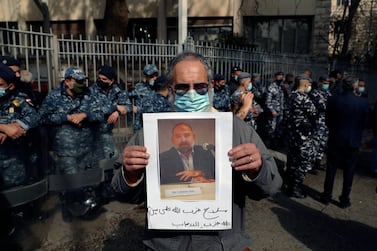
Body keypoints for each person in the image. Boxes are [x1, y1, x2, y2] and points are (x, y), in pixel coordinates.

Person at [111, 52, 282, 251]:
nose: (192, 94)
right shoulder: (150, 134)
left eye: (199, 86)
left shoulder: (238, 130)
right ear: (171, 89)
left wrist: (256, 169)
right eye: (183, 87)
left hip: (223, 244)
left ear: (210, 87)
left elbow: (271, 186)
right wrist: (130, 174)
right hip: (166, 245)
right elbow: (119, 191)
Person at [38, 66, 102, 221]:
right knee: (70, 179)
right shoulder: (54, 96)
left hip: (87, 146)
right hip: (65, 147)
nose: (82, 84)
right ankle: (68, 207)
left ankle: (84, 207)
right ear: (67, 81)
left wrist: (85, 115)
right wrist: (67, 117)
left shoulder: (89, 94)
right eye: (78, 81)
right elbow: (42, 117)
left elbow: (101, 113)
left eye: (83, 81)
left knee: (85, 180)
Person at [320, 76, 369, 208]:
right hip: (353, 141)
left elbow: (327, 120)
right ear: (355, 86)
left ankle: (326, 196)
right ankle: (345, 199)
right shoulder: (363, 102)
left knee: (331, 169)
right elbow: (365, 124)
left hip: (336, 139)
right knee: (349, 171)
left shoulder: (333, 100)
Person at [0, 63, 40, 190]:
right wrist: (4, 128)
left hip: (13, 163)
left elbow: (34, 117)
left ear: (10, 86)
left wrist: (16, 126)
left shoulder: (19, 100)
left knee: (17, 199)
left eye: (0, 85)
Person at [284, 74, 317, 198]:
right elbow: (314, 113)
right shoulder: (304, 98)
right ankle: (295, 188)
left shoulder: (291, 95)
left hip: (292, 134)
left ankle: (290, 184)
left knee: (292, 160)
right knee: (303, 162)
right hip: (302, 136)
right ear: (304, 84)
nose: (310, 86)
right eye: (309, 84)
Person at [90, 65, 132, 159]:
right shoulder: (92, 91)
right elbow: (93, 111)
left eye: (104, 79)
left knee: (111, 161)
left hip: (107, 133)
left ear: (111, 81)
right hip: (92, 134)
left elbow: (128, 106)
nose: (100, 81)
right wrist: (115, 107)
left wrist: (117, 112)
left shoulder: (117, 91)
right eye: (99, 78)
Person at [308, 76, 332, 173]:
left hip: (326, 123)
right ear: (320, 83)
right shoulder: (315, 93)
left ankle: (318, 162)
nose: (327, 85)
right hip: (317, 123)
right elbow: (322, 106)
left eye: (328, 83)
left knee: (323, 144)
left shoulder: (328, 93)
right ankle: (310, 165)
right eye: (325, 83)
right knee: (315, 144)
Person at [129, 64, 159, 132]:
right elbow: (124, 96)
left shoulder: (160, 87)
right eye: (151, 76)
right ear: (146, 77)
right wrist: (131, 107)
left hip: (156, 123)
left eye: (156, 75)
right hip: (141, 124)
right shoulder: (139, 88)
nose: (154, 78)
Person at [265, 71, 285, 148]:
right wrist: (272, 110)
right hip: (273, 112)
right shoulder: (271, 87)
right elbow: (267, 101)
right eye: (279, 76)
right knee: (271, 129)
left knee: (279, 129)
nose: (281, 78)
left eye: (282, 76)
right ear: (275, 77)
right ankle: (269, 145)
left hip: (280, 111)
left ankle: (276, 145)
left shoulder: (281, 87)